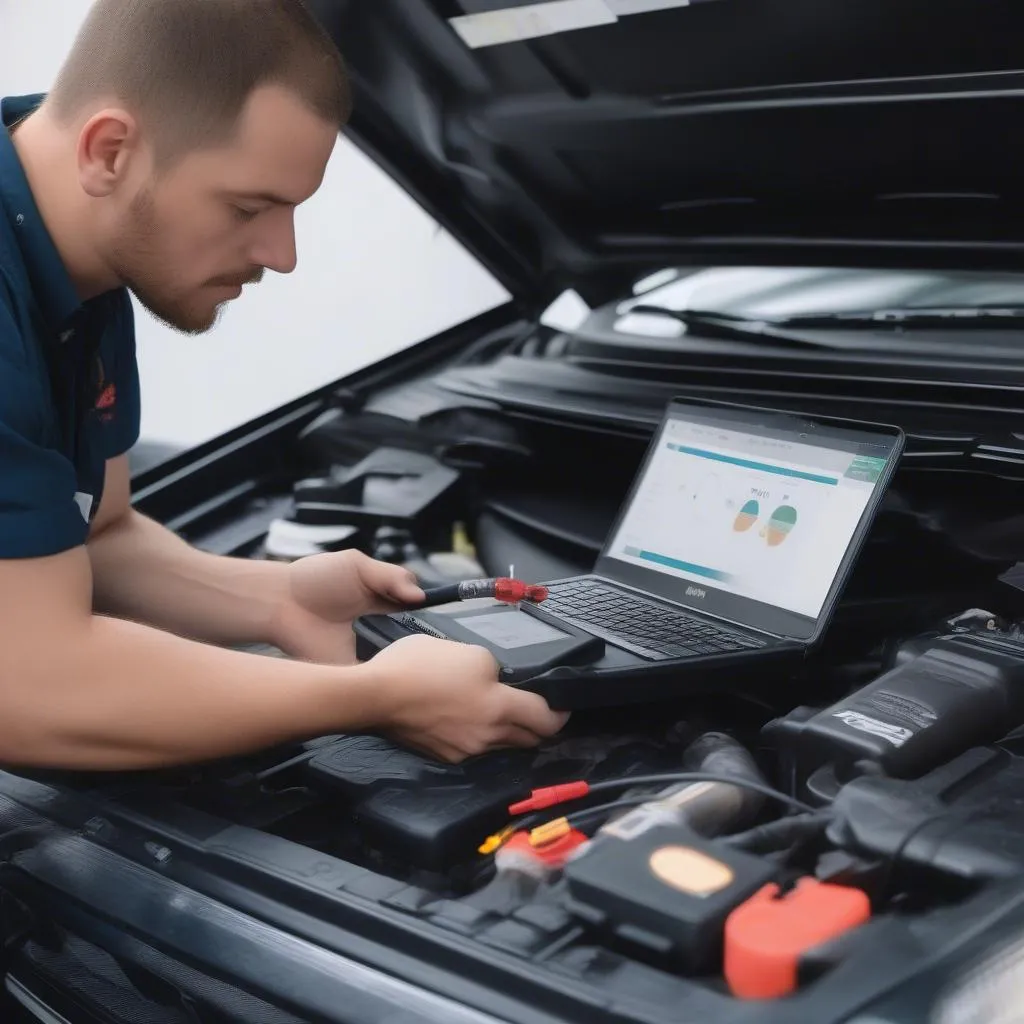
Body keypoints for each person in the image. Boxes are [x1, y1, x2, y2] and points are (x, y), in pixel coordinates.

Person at [0, 0, 568, 771]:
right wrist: (379, 696)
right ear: (108, 150)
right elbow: (34, 692)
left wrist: (277, 600)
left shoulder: (80, 261)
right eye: (249, 207)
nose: (282, 254)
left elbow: (98, 535)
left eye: (291, 209)